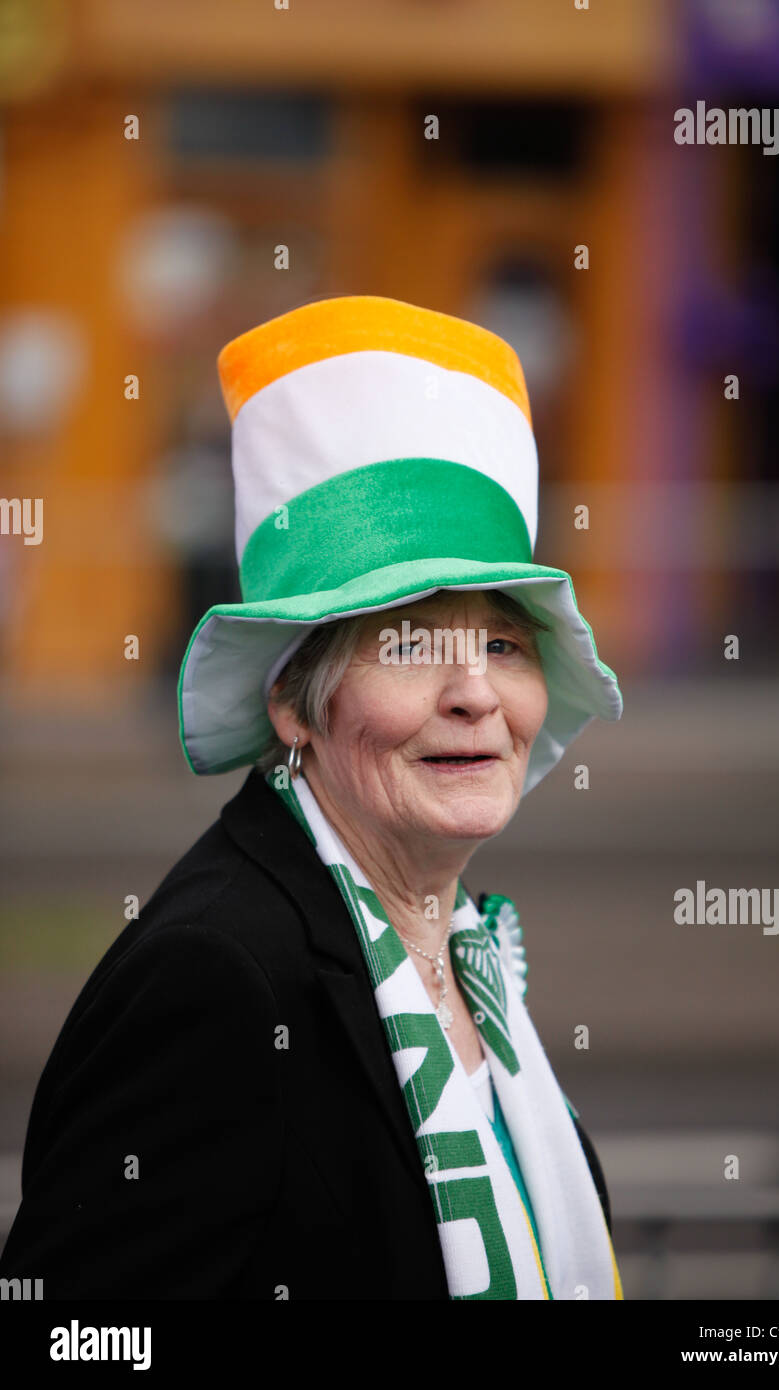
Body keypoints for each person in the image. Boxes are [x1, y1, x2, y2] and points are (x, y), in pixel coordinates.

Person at [0, 294, 623, 1300]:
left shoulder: (465, 949)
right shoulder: (216, 976)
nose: (472, 692)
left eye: (501, 643)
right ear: (294, 699)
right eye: (410, 642)